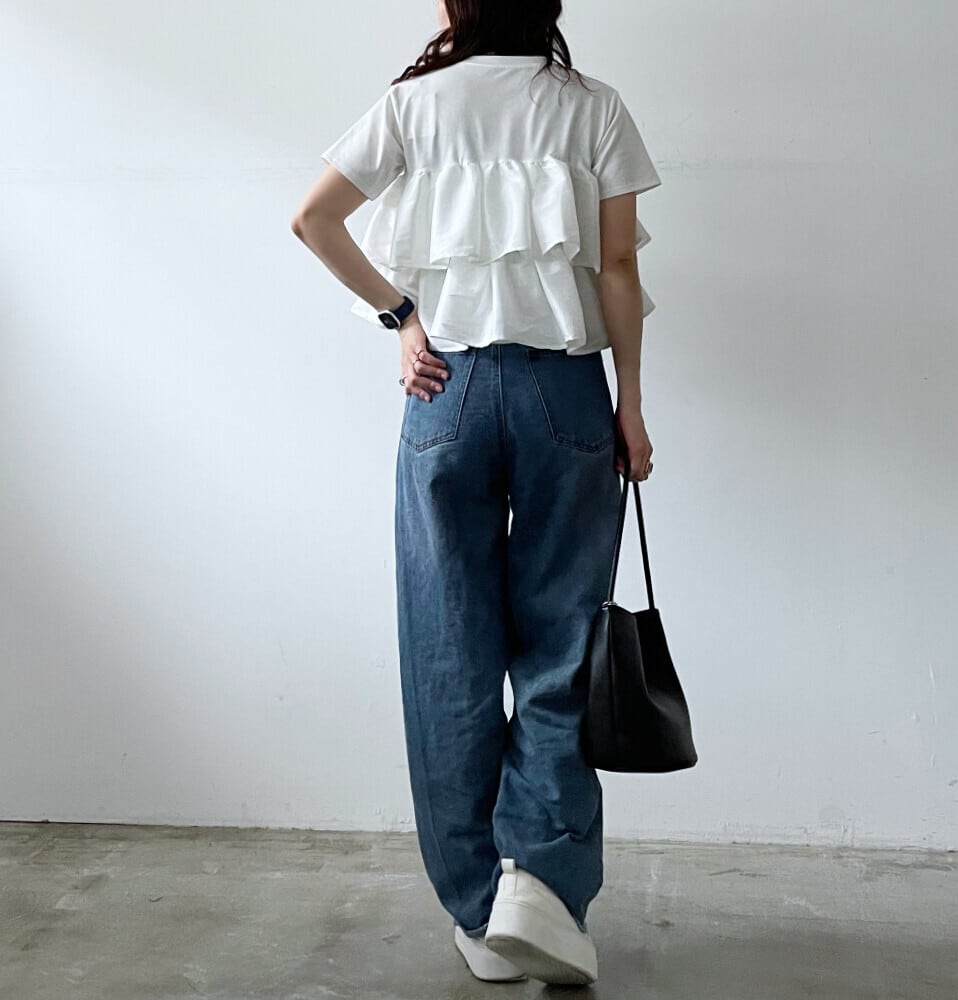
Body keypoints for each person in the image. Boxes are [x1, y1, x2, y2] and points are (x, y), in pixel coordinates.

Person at [291, 0, 660, 986]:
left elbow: (312, 218)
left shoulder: (413, 104)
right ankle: (539, 886)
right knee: (562, 641)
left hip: (444, 389)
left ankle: (476, 908)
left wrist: (401, 316)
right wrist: (630, 404)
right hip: (566, 393)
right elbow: (618, 265)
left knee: (446, 648)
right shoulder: (591, 106)